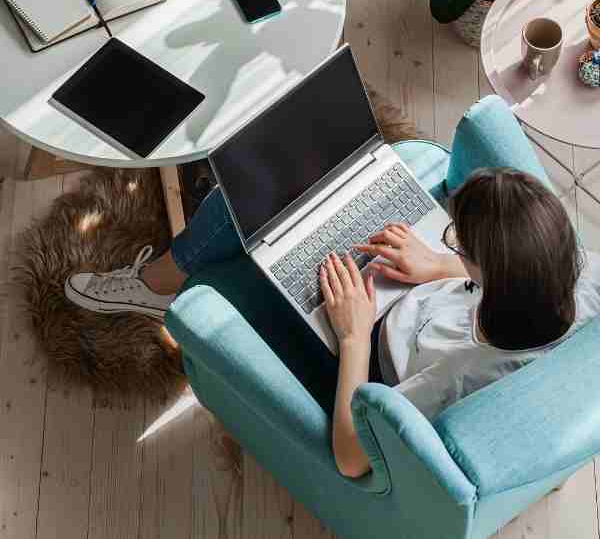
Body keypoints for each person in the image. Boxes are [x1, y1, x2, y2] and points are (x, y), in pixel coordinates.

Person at [65, 167, 600, 480]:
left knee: (248, 198)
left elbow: (351, 458)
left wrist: (352, 335)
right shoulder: (580, 289)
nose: (450, 241)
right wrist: (441, 264)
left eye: (458, 241)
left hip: (362, 350)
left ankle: (158, 285)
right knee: (298, 183)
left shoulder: (452, 380)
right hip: (406, 296)